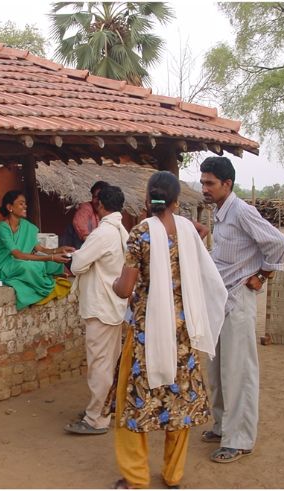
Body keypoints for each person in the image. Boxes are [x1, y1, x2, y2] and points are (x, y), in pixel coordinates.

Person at [110, 171, 228, 489]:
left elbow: (125, 289)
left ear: (148, 199)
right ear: (176, 201)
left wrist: (114, 283)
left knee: (133, 400)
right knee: (179, 400)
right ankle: (173, 475)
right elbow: (200, 230)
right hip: (183, 333)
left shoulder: (140, 234)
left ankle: (136, 478)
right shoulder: (188, 230)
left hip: (146, 335)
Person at [199, 156, 284, 464]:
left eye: (210, 183)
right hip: (219, 301)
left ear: (227, 184)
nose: (204, 188)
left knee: (238, 372)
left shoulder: (241, 211)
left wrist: (261, 275)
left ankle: (239, 440)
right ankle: (223, 426)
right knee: (218, 370)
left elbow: (279, 242)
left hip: (238, 299)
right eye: (202, 182)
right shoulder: (222, 213)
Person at [64, 185, 129, 436]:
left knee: (99, 365)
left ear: (100, 205)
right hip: (112, 307)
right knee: (107, 363)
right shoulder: (121, 230)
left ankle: (95, 418)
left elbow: (79, 264)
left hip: (101, 307)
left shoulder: (103, 233)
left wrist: (75, 255)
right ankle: (102, 410)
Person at [0, 190, 74, 310]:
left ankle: (63, 280)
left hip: (21, 261)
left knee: (51, 264)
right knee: (29, 266)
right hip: (3, 266)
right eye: (21, 203)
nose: (25, 206)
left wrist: (59, 250)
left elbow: (41, 249)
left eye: (25, 203)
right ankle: (47, 286)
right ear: (10, 207)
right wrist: (51, 257)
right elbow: (17, 254)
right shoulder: (3, 227)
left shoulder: (26, 225)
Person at [61, 181, 110, 248]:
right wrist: (91, 242)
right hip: (75, 248)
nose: (98, 201)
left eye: (100, 198)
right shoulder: (86, 207)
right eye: (95, 197)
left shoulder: (108, 211)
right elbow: (80, 223)